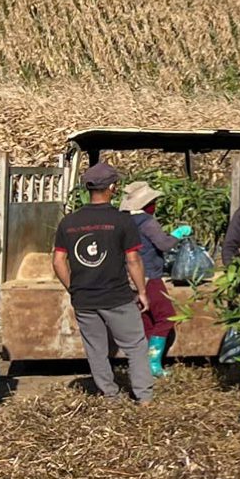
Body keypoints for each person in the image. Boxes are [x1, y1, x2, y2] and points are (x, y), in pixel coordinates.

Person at [52, 163, 153, 406]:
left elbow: (58, 261)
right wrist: (142, 291)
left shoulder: (68, 222)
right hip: (117, 296)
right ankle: (144, 397)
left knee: (96, 349)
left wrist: (74, 288)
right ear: (112, 187)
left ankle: (110, 396)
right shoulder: (122, 221)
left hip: (84, 299)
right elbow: (133, 260)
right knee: (135, 345)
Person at [118, 181, 178, 381]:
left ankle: (144, 364)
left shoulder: (123, 221)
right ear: (147, 204)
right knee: (166, 316)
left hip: (129, 278)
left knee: (146, 319)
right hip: (149, 275)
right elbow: (164, 244)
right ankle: (153, 363)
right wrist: (178, 235)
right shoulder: (147, 222)